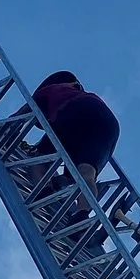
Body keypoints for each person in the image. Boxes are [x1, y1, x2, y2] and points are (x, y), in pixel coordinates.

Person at [21, 71, 120, 213]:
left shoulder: (48, 91)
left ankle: (44, 190)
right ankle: (81, 216)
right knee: (85, 174)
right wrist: (61, 181)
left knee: (38, 161)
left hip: (74, 111)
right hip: (108, 125)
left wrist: (2, 130)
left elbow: (21, 114)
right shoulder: (87, 94)